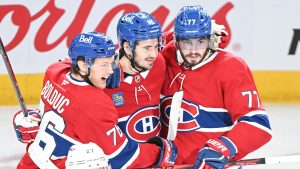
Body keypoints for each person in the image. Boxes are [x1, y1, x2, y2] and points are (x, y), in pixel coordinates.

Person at [13, 32, 177, 168]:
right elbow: (122, 157)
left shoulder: (54, 72)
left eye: (112, 63)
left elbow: (59, 109)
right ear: (83, 66)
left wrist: (25, 118)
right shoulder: (95, 104)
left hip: (28, 162)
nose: (111, 71)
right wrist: (159, 151)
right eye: (104, 65)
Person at [159, 5, 272, 168]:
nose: (193, 50)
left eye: (201, 41)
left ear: (210, 38)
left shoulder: (231, 67)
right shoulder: (166, 57)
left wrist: (223, 148)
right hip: (167, 163)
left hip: (211, 164)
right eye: (186, 42)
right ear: (176, 40)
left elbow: (258, 124)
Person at [104, 11, 165, 143]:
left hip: (157, 160)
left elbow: (180, 43)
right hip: (121, 159)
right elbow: (62, 72)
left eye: (156, 46)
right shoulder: (103, 75)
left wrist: (207, 33)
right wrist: (93, 71)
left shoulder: (159, 62)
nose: (153, 54)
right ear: (127, 47)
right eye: (147, 48)